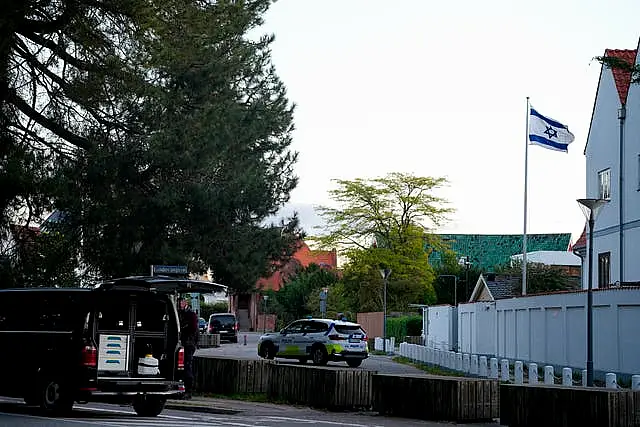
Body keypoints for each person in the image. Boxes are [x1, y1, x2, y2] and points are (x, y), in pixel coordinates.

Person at [177, 296, 199, 399]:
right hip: (184, 343)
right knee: (183, 367)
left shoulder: (190, 315)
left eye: (180, 302)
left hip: (188, 344)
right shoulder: (179, 313)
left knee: (186, 366)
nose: (179, 304)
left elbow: (193, 329)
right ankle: (182, 389)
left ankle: (188, 390)